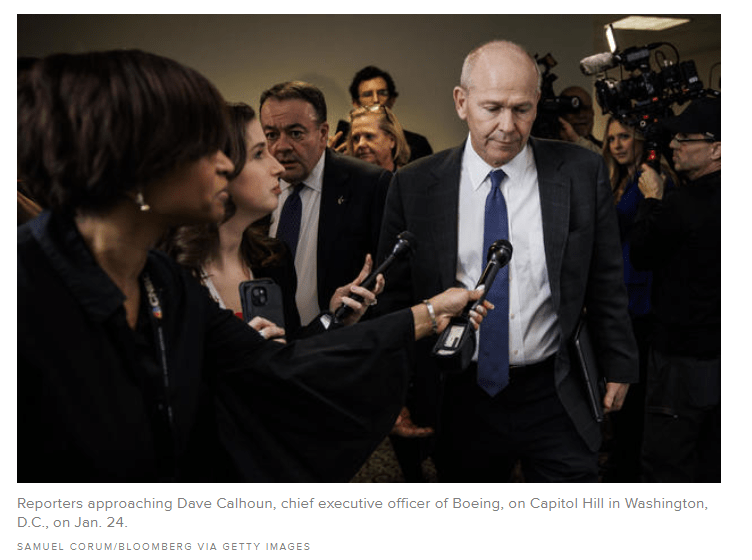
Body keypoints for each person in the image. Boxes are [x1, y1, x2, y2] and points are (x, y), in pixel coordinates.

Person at [17, 49, 491, 483]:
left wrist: (427, 313)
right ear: (135, 162)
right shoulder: (24, 287)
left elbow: (281, 365)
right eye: (206, 147)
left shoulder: (161, 281)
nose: (226, 165)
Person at [375, 39, 638, 483]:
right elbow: (395, 299)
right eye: (492, 108)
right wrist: (392, 390)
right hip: (460, 393)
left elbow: (605, 277)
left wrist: (619, 362)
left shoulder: (580, 171)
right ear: (461, 102)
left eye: (521, 109)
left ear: (537, 103)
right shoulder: (415, 185)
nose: (508, 126)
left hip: (555, 388)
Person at [161, 102, 382, 338]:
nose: (278, 167)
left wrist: (334, 318)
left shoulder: (273, 260)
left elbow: (287, 350)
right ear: (219, 169)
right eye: (259, 154)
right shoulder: (168, 268)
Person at [630, 96, 721, 482]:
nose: (673, 145)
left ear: (717, 148)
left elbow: (641, 253)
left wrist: (652, 200)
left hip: (681, 360)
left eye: (685, 139)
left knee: (669, 463)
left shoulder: (683, 203)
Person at [259, 81, 392, 325]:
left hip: (340, 340)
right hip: (268, 341)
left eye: (295, 133)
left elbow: (390, 282)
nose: (281, 146)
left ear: (323, 134)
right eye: (271, 135)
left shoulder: (368, 185)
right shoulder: (254, 189)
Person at [600, 117, 676, 482]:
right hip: (617, 292)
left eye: (625, 136)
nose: (617, 144)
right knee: (618, 390)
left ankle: (629, 469)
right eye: (612, 138)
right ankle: (622, 461)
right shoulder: (616, 181)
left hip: (642, 295)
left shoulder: (651, 179)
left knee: (636, 389)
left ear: (641, 139)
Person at [331, 65, 433, 162]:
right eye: (367, 94)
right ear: (355, 103)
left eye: (382, 93)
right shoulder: (343, 140)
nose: (376, 99)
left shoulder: (417, 145)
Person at [346, 104, 411, 172]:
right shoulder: (344, 177)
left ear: (392, 140)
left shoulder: (408, 178)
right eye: (356, 138)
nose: (360, 144)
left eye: (369, 136)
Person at [557, 85, 602, 153]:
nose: (581, 115)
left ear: (593, 112)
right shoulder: (549, 149)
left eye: (586, 108)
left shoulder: (607, 151)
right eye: (574, 111)